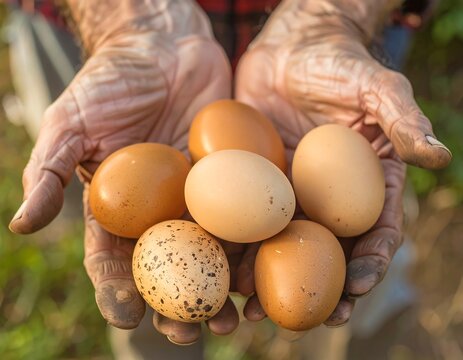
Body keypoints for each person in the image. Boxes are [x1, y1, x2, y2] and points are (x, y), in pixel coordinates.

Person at [8, 0, 451, 349]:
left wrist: (333, 15)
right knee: (135, 254)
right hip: (110, 39)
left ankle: (381, 334)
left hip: (336, 41)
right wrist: (126, 21)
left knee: (357, 232)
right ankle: (149, 343)